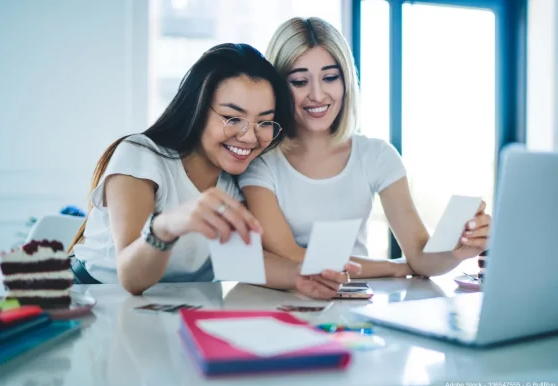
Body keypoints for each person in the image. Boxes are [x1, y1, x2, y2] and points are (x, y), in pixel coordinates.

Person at [68, 43, 359, 297]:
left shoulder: (235, 177)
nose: (249, 136)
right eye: (233, 118)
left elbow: (243, 262)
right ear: (197, 108)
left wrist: (302, 275)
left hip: (170, 307)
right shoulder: (141, 155)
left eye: (264, 121)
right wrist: (167, 225)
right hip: (91, 297)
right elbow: (131, 277)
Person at [238, 18, 491, 278]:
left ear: (346, 80)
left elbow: (420, 255)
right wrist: (394, 267)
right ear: (278, 87)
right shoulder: (261, 162)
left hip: (358, 301)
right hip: (281, 302)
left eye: (330, 77)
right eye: (300, 82)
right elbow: (288, 255)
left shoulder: (376, 155)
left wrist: (456, 250)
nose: (317, 94)